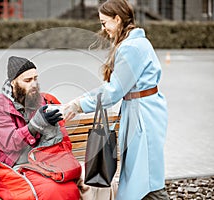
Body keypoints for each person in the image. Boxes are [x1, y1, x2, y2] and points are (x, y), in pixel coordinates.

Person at [64, 0, 169, 199]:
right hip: (144, 111)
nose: (104, 29)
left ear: (117, 19)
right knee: (145, 176)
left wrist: (79, 104)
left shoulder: (130, 47)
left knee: (146, 180)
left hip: (142, 116)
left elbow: (114, 91)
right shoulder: (136, 42)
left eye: (105, 23)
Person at [0, 56, 81, 199]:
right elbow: (10, 143)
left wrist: (59, 119)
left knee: (74, 183)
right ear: (13, 83)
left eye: (35, 78)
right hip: (11, 166)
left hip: (42, 161)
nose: (34, 84)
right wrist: (36, 124)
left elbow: (61, 141)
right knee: (53, 190)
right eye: (27, 81)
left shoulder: (41, 100)